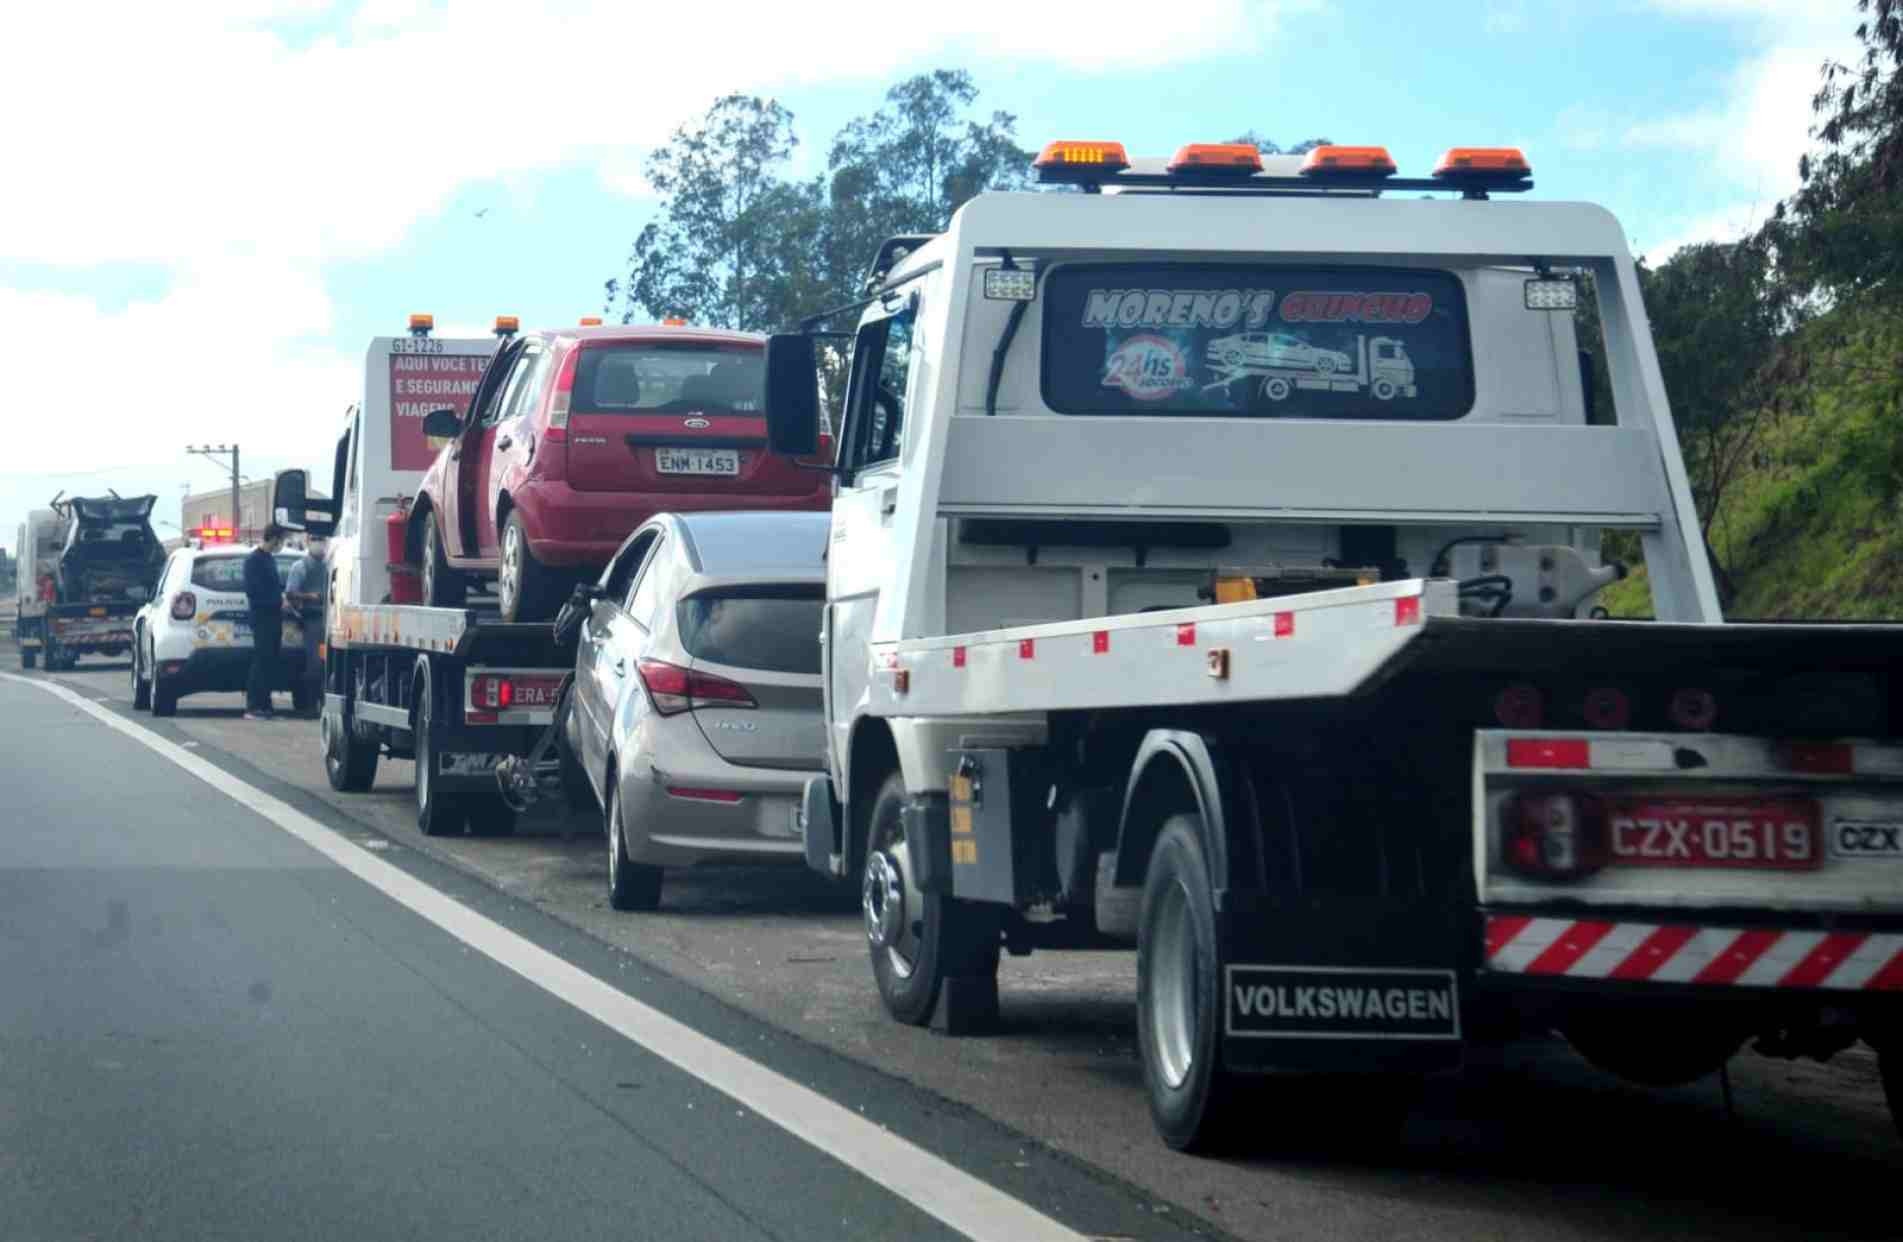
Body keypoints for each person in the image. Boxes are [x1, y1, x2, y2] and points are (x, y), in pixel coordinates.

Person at [243, 525, 287, 721]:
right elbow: (253, 592)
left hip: (274, 617)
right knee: (260, 661)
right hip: (262, 617)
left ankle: (266, 705)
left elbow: (274, 586)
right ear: (274, 538)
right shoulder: (254, 560)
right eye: (281, 540)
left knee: (270, 661)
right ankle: (253, 706)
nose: (282, 544)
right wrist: (277, 601)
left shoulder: (269, 559)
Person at [283, 536, 328, 717]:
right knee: (314, 664)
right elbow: (291, 593)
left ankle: (323, 704)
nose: (319, 543)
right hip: (312, 620)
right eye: (315, 539)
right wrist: (310, 597)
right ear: (309, 542)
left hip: (331, 620)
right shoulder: (300, 567)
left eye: (322, 539)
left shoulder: (330, 565)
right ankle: (310, 705)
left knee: (326, 665)